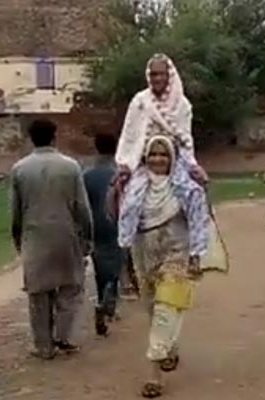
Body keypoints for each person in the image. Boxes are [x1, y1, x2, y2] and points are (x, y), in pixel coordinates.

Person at [119, 135, 210, 398]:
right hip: (143, 254)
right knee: (152, 307)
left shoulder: (187, 188)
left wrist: (196, 255)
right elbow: (126, 224)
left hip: (176, 255)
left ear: (173, 158)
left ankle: (154, 375)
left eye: (164, 154)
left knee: (166, 309)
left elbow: (199, 221)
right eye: (153, 154)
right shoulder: (135, 187)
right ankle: (170, 348)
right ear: (145, 157)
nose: (158, 159)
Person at [9, 119, 94, 359]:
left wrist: (17, 237)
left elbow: (16, 210)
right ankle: (63, 336)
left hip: (34, 236)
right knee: (70, 287)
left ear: (30, 138)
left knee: (38, 293)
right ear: (54, 137)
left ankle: (43, 346)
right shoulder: (71, 167)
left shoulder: (20, 169)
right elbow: (82, 207)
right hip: (66, 235)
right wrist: (87, 237)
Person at [109, 53, 208, 220]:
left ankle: (198, 243)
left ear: (169, 74)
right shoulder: (139, 101)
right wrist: (125, 163)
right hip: (143, 161)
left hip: (175, 161)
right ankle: (126, 240)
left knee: (195, 195)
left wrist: (192, 165)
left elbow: (185, 139)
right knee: (130, 202)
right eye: (153, 74)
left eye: (161, 73)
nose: (157, 78)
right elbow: (130, 136)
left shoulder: (182, 104)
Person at [82, 133, 126, 336]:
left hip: (95, 227)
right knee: (116, 266)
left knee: (100, 267)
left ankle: (102, 299)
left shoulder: (87, 175)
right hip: (117, 225)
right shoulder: (119, 173)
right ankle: (109, 302)